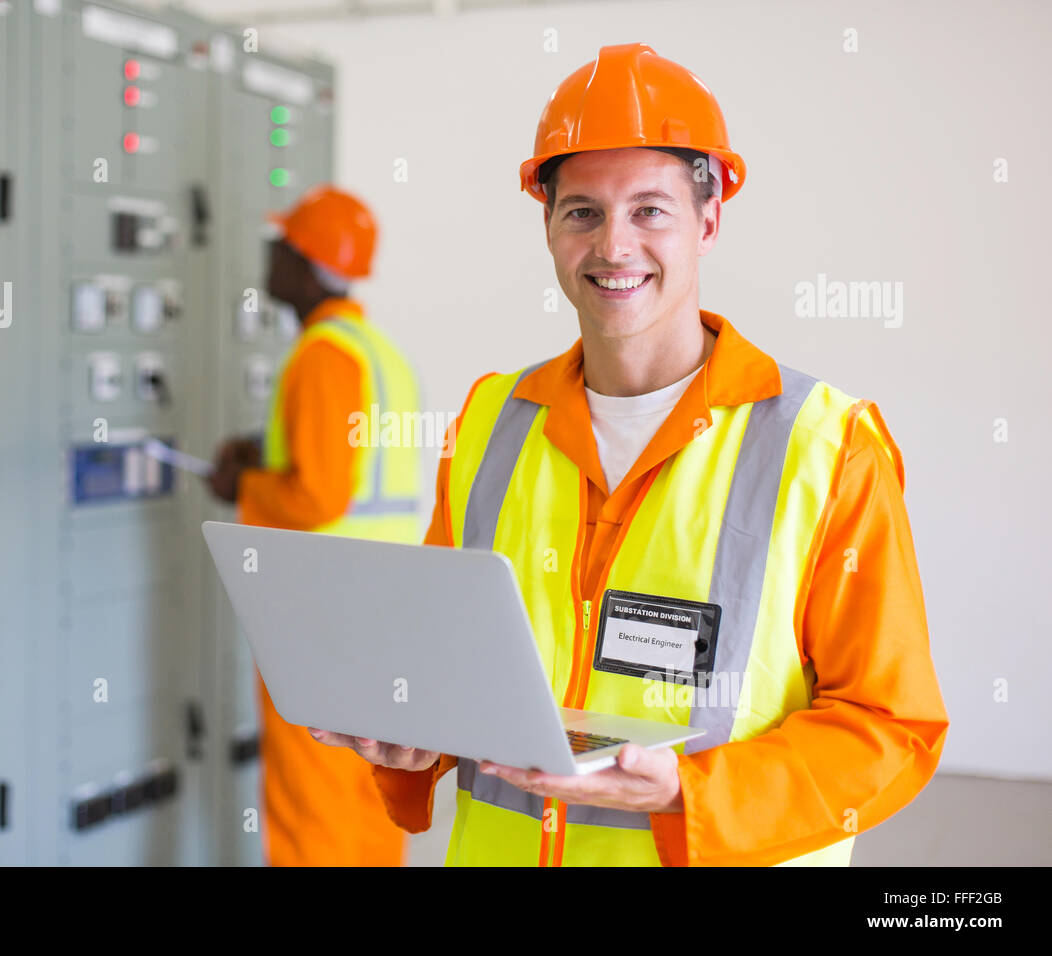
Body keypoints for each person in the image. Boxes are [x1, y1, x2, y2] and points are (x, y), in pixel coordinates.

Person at [308, 44, 949, 866]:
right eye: (582, 211)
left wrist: (692, 794)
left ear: (707, 222)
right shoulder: (489, 421)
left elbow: (890, 725)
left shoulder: (827, 446)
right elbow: (449, 665)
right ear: (548, 227)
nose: (613, 245)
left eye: (650, 210)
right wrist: (414, 740)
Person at [209, 184, 424, 866]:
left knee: (312, 803)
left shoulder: (323, 355)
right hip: (384, 604)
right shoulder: (377, 354)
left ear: (305, 264)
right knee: (370, 789)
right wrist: (262, 451)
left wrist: (241, 483)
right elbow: (353, 471)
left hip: (322, 614)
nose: (266, 259)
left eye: (278, 246)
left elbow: (318, 497)